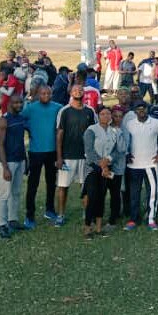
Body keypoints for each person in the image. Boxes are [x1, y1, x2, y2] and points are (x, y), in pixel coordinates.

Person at [55, 85, 97, 225]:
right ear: (70, 93)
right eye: (75, 90)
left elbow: (95, 132)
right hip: (67, 156)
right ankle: (61, 215)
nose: (78, 92)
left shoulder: (90, 111)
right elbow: (59, 134)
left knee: (85, 186)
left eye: (80, 90)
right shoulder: (64, 111)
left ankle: (87, 214)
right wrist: (59, 157)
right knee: (63, 186)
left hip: (85, 156)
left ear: (84, 93)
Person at [21, 85, 62, 228]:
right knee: (33, 184)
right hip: (36, 151)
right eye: (43, 93)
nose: (46, 96)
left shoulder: (57, 107)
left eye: (48, 93)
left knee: (51, 182)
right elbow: (20, 119)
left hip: (52, 151)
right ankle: (29, 216)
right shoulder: (31, 108)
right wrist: (28, 128)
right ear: (38, 94)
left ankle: (50, 210)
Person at [124, 101, 158, 231]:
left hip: (150, 164)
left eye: (144, 108)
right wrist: (127, 153)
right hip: (134, 165)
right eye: (138, 109)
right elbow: (124, 140)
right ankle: (133, 219)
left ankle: (151, 219)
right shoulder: (129, 124)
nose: (141, 111)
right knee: (134, 194)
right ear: (134, 111)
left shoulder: (156, 123)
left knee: (152, 193)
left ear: (147, 109)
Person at [82, 106, 119, 237]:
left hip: (106, 168)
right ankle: (87, 228)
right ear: (98, 116)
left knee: (101, 197)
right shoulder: (91, 130)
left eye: (108, 114)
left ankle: (98, 228)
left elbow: (115, 150)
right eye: (102, 114)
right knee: (92, 197)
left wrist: (108, 160)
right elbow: (89, 151)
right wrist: (101, 165)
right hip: (92, 168)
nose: (105, 116)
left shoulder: (113, 131)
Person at [0, 94, 27, 239]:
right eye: (16, 103)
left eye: (21, 102)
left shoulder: (20, 118)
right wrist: (5, 167)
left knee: (16, 192)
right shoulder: (3, 120)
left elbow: (20, 141)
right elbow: (0, 145)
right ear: (9, 104)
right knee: (4, 194)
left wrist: (25, 160)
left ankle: (13, 219)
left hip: (19, 160)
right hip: (7, 162)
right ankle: (1, 224)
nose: (19, 105)